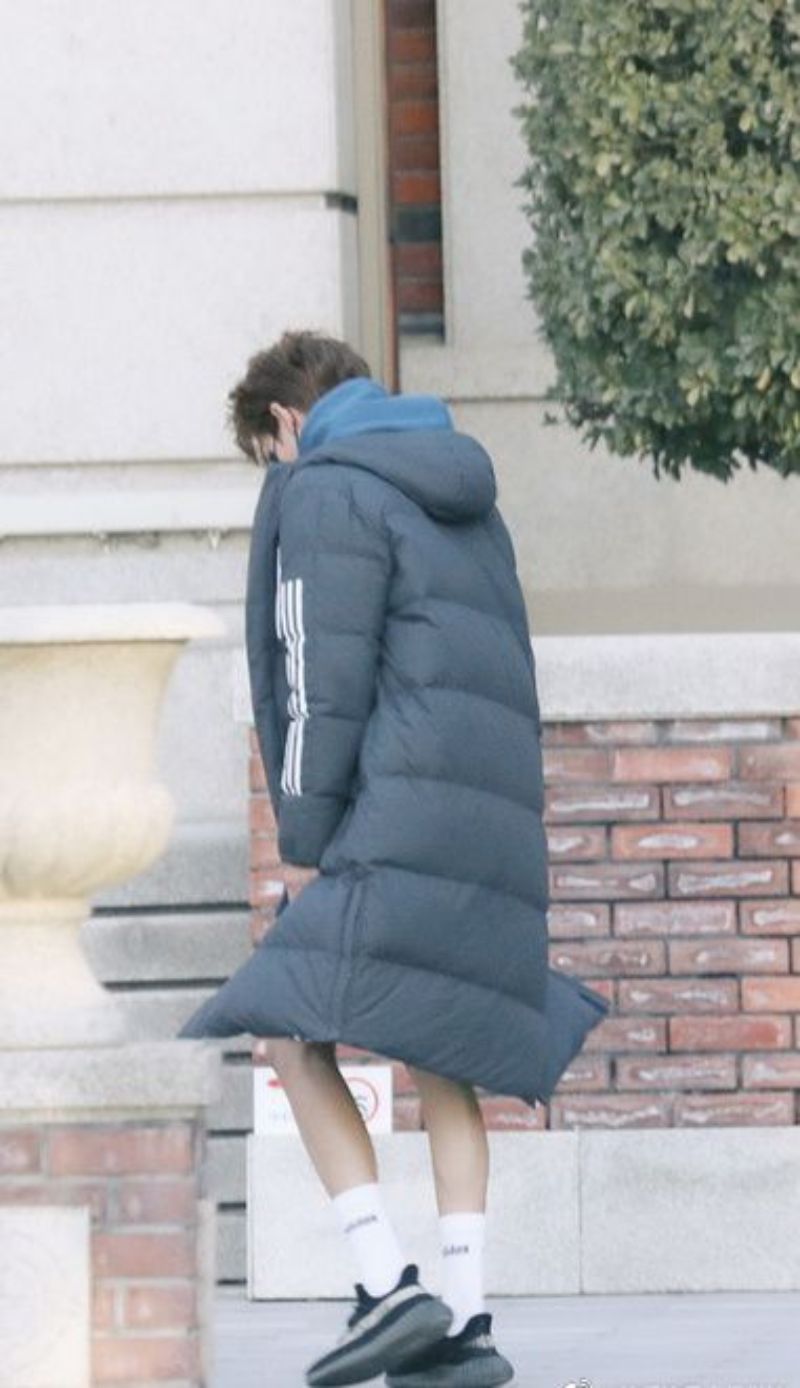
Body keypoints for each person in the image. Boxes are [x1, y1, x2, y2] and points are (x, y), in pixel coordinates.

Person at [179, 329, 610, 1386]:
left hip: (389, 805)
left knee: (287, 1030)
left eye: (268, 454)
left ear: (287, 423)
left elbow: (316, 681)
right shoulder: (460, 489)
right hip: (482, 815)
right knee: (439, 1050)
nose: (275, 473)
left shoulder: (323, 490)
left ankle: (385, 1281)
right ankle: (465, 1321)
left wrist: (306, 839)